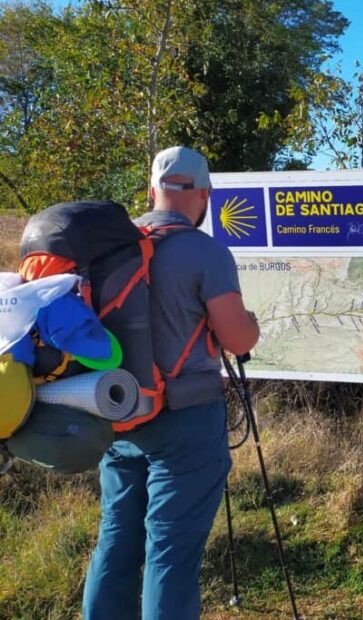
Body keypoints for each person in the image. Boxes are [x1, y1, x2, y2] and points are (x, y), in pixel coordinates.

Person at [82, 146, 260, 620]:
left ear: (151, 189)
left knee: (116, 543)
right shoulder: (206, 252)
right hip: (186, 421)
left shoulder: (109, 248)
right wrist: (253, 324)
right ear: (204, 194)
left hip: (117, 414)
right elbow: (237, 337)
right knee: (170, 556)